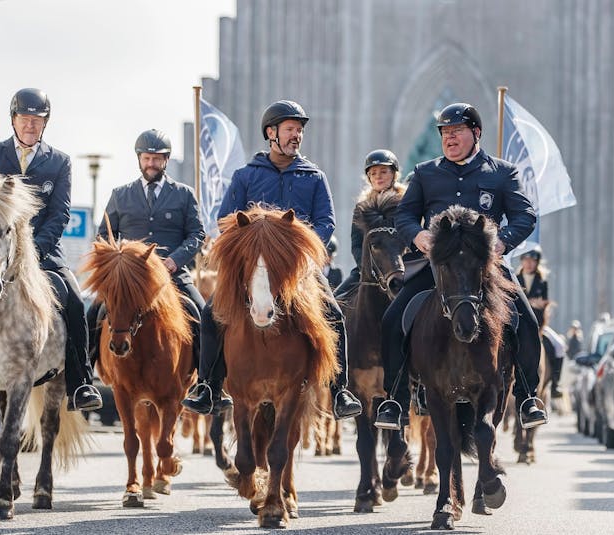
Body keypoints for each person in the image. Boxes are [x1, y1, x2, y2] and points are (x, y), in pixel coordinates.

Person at [181, 100, 362, 420]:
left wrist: (304, 252)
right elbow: (226, 220)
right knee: (210, 314)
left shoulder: (314, 177)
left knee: (334, 314)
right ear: (271, 133)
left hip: (298, 268)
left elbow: (326, 222)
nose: (297, 135)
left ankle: (340, 390)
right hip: (252, 268)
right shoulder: (245, 176)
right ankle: (209, 386)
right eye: (290, 129)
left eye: (300, 130)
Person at [374, 102, 547, 430]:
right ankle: (395, 399)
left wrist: (502, 241)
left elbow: (525, 215)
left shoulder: (502, 173)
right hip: (437, 267)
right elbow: (404, 215)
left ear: (476, 133)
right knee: (392, 320)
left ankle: (527, 396)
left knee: (525, 321)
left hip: (486, 269)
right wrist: (418, 235)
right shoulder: (425, 173)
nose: (449, 138)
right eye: (444, 133)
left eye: (456, 131)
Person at [0, 88, 102, 416]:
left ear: (45, 123)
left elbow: (60, 214)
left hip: (43, 256)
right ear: (13, 120)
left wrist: (30, 254)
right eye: (24, 119)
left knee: (73, 300)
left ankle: (81, 382)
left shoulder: (59, 162)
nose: (30, 125)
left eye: (37, 120)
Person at [88, 129, 206, 369]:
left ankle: (207, 381)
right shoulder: (120, 195)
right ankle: (84, 377)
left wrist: (174, 261)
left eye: (156, 159)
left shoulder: (184, 194)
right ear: (139, 159)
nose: (151, 163)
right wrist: (119, 262)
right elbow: (103, 237)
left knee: (204, 316)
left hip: (173, 276)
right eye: (147, 158)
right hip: (128, 280)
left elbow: (197, 235)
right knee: (92, 315)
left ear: (166, 160)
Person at [334, 149, 407, 298]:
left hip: (401, 267)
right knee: (333, 303)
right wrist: (366, 268)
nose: (378, 176)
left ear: (394, 174)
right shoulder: (362, 207)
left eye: (383, 172)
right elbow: (356, 244)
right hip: (369, 268)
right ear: (369, 178)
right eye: (373, 173)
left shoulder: (405, 202)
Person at [515, 245, 562, 398]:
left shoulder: (542, 282)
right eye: (526, 259)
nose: (529, 263)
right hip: (518, 326)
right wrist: (531, 302)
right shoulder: (514, 279)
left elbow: (544, 304)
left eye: (533, 260)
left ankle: (555, 384)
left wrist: (537, 304)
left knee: (559, 346)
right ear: (522, 261)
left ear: (537, 262)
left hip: (538, 327)